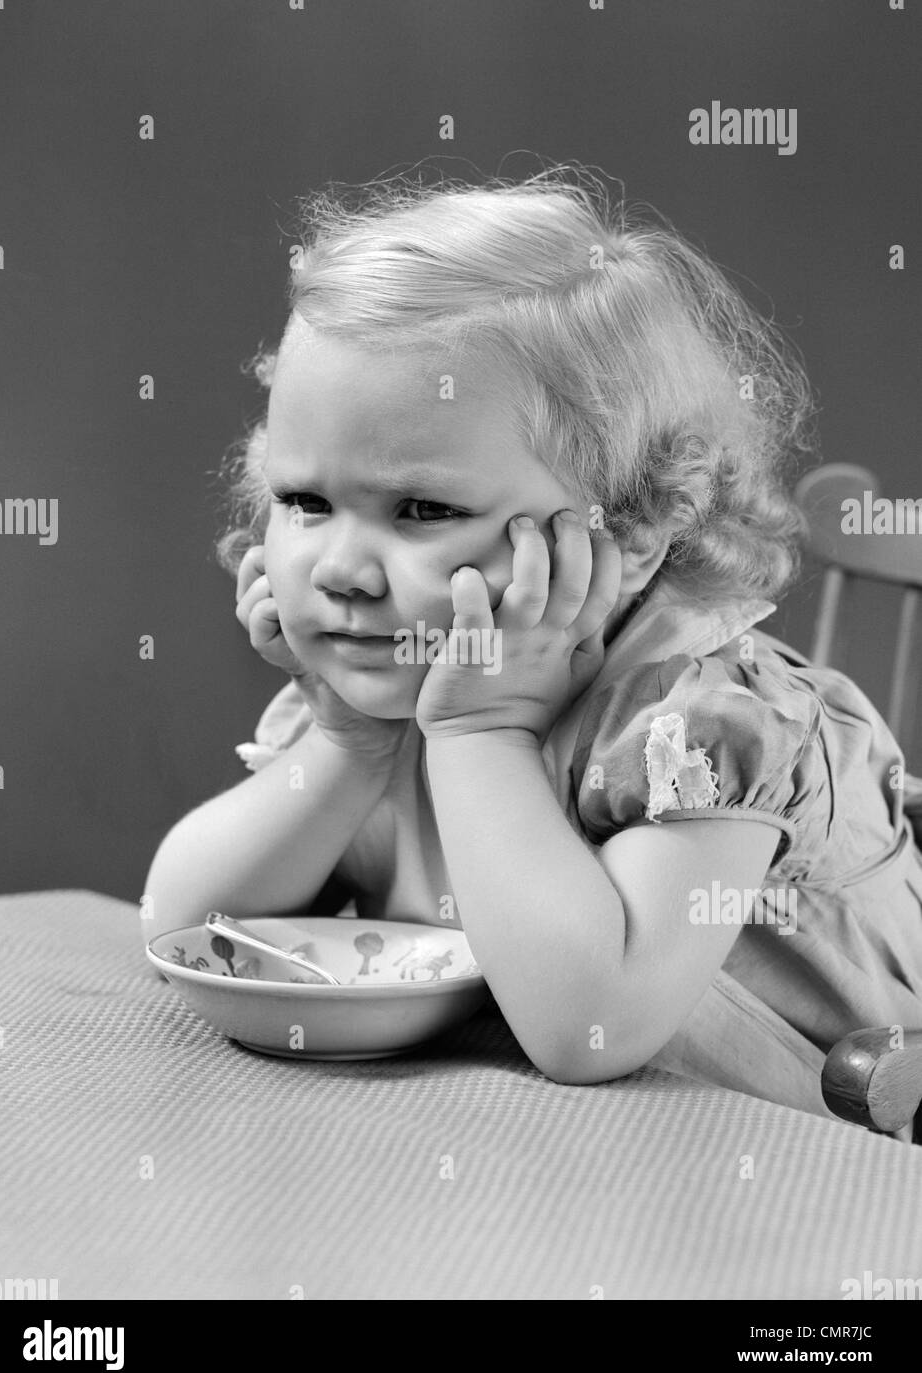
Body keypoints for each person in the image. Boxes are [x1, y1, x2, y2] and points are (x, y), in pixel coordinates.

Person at [142, 165, 922, 1124]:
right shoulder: (382, 697)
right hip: (528, 1163)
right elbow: (183, 932)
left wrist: (485, 738)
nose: (341, 567)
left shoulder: (702, 731)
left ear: (629, 531)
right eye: (305, 500)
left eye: (424, 509)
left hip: (795, 1170)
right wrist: (345, 746)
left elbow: (588, 1028)